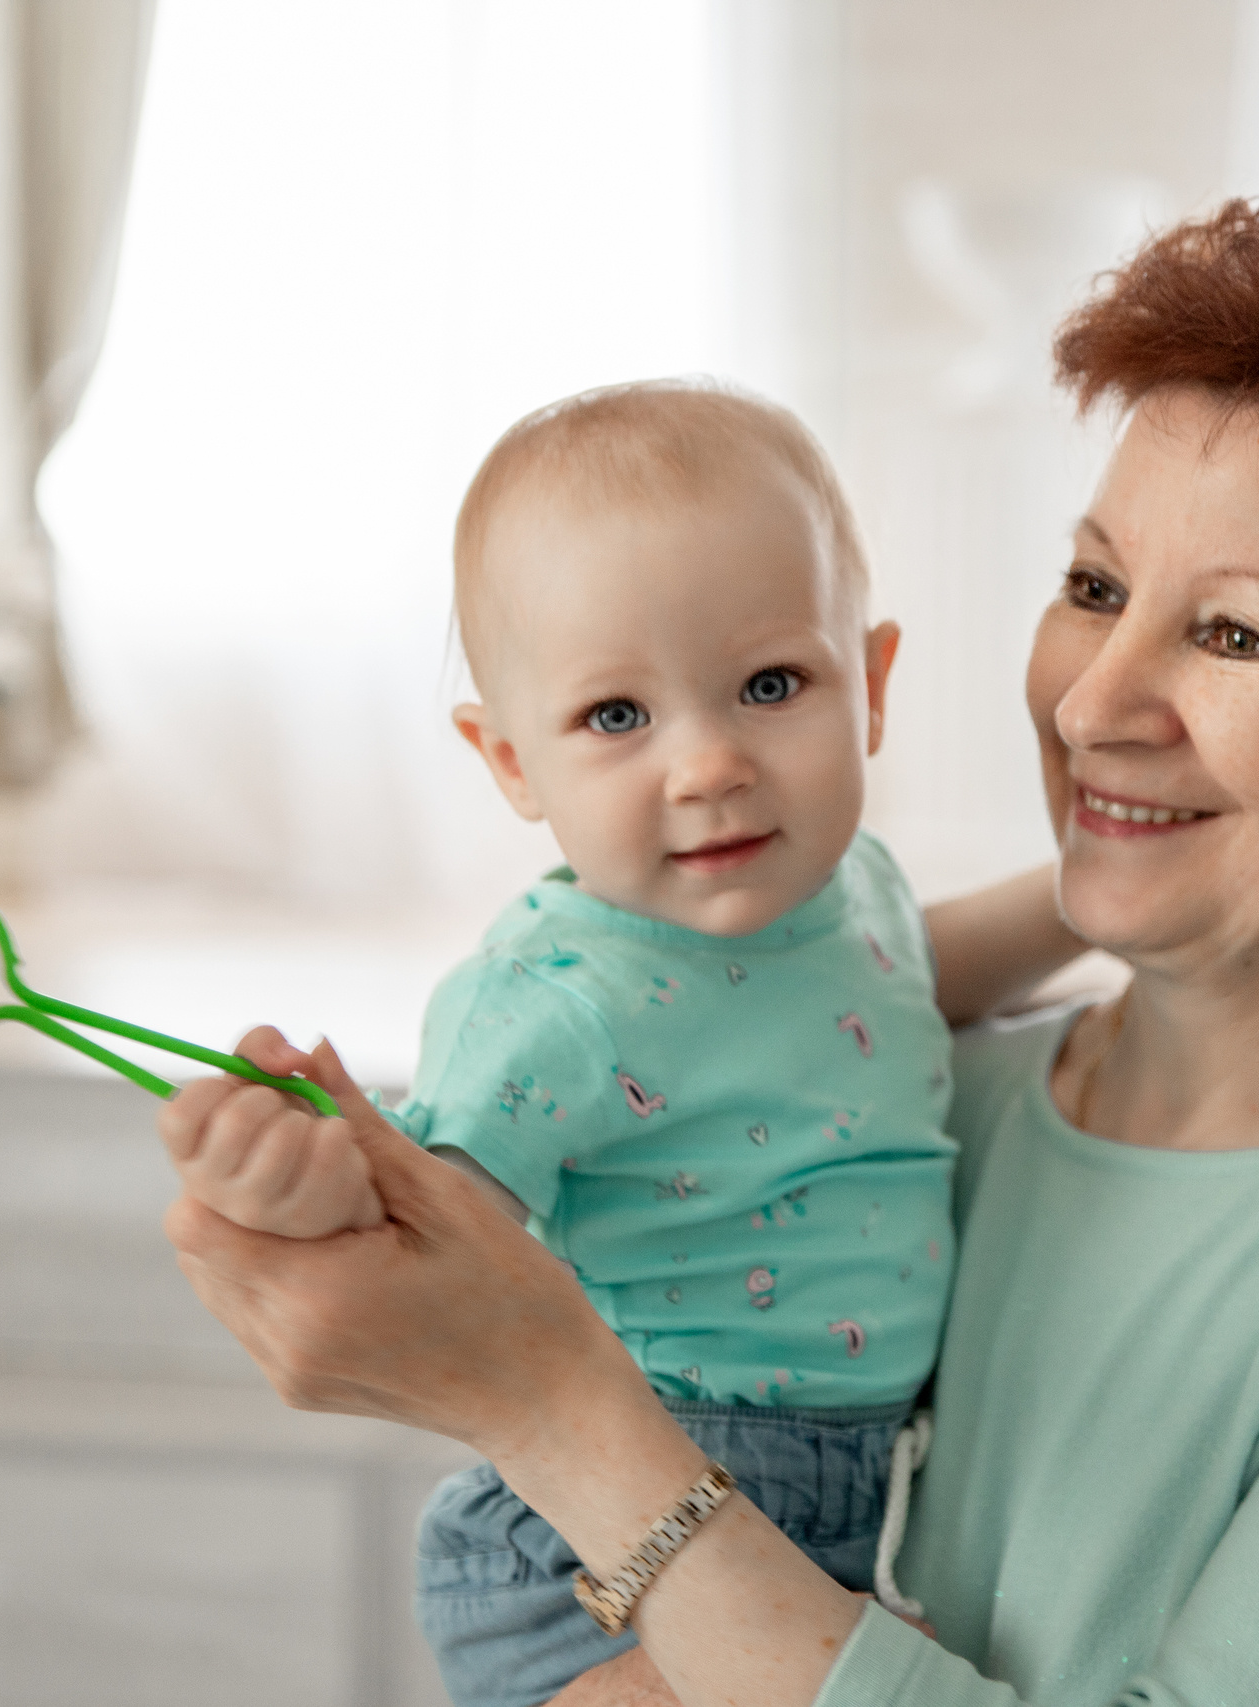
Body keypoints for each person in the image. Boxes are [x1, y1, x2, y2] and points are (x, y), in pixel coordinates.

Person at [161, 201, 1259, 1706]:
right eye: (1095, 588)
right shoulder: (903, 1088)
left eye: (1235, 632)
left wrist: (557, 1415)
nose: (1091, 700)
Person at [156, 381, 1074, 1707]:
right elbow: (433, 1226)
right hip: (604, 1542)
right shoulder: (554, 999)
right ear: (511, 761)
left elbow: (908, 979)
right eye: (618, 718)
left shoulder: (848, 887)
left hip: (872, 1495)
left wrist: (1085, 899)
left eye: (770, 684)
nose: (708, 765)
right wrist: (293, 1187)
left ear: (869, 686)